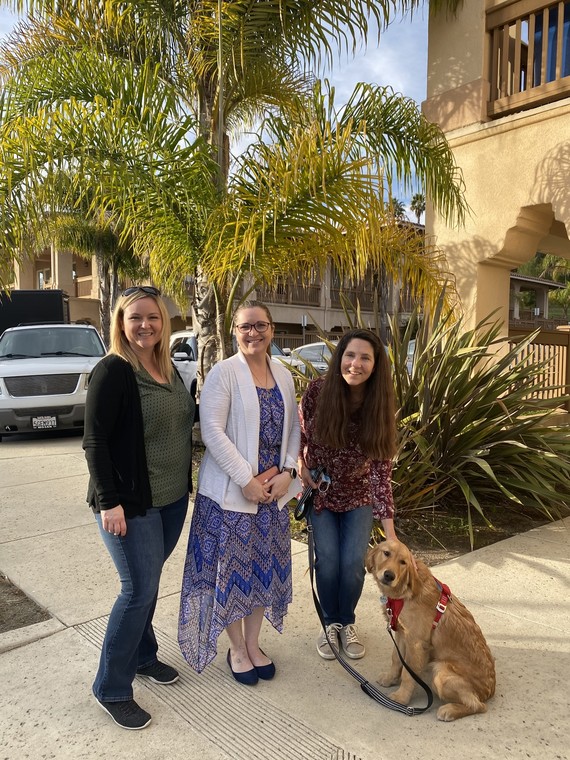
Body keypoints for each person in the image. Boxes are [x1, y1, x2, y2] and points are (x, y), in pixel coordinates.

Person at [83, 286, 194, 730]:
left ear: (164, 321)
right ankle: (110, 686)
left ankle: (144, 655)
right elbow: (95, 442)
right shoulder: (112, 371)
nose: (145, 325)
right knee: (137, 590)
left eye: (153, 316)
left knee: (149, 584)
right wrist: (110, 503)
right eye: (135, 318)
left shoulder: (169, 368)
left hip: (170, 500)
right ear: (121, 322)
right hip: (129, 505)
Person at [178, 300, 300, 685]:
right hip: (232, 497)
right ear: (234, 331)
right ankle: (236, 649)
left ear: (272, 330)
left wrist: (289, 473)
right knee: (231, 575)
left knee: (263, 574)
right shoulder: (224, 373)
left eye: (260, 325)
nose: (253, 333)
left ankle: (253, 642)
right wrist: (246, 480)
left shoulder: (283, 375)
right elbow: (211, 431)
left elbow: (295, 430)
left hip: (271, 498)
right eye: (245, 326)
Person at [298, 328, 398, 661]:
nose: (355, 364)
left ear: (376, 364)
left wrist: (391, 536)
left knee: (353, 565)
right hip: (322, 494)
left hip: (358, 498)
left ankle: (347, 621)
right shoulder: (317, 392)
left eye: (365, 357)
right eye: (350, 355)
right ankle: (330, 624)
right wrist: (300, 465)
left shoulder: (379, 404)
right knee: (327, 563)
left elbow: (381, 472)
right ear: (340, 357)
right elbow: (298, 437)